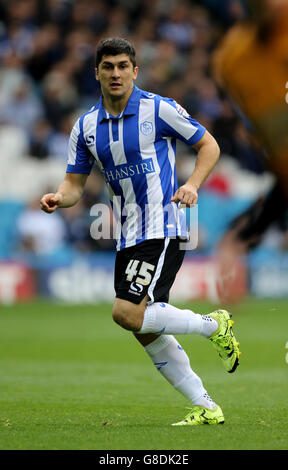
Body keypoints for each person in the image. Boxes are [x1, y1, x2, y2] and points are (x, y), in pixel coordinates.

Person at [40, 37, 240, 426]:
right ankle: (207, 406)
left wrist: (193, 185)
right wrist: (57, 199)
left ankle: (214, 325)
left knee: (127, 313)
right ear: (95, 72)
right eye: (107, 66)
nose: (115, 73)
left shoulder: (158, 108)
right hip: (129, 234)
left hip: (164, 224)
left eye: (122, 66)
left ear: (135, 71)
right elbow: (74, 187)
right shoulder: (86, 126)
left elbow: (209, 145)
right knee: (144, 327)